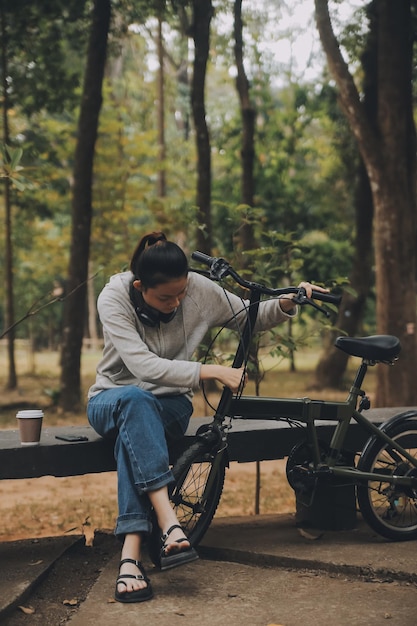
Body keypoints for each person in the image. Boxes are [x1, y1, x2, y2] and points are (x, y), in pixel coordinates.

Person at [87, 231, 328, 603]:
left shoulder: (198, 290)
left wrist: (286, 301)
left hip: (169, 406)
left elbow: (251, 316)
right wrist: (209, 371)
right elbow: (141, 366)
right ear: (140, 286)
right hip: (111, 400)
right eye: (166, 297)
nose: (177, 302)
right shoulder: (114, 296)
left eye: (181, 293)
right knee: (135, 402)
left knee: (131, 437)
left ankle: (130, 558)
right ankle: (168, 521)